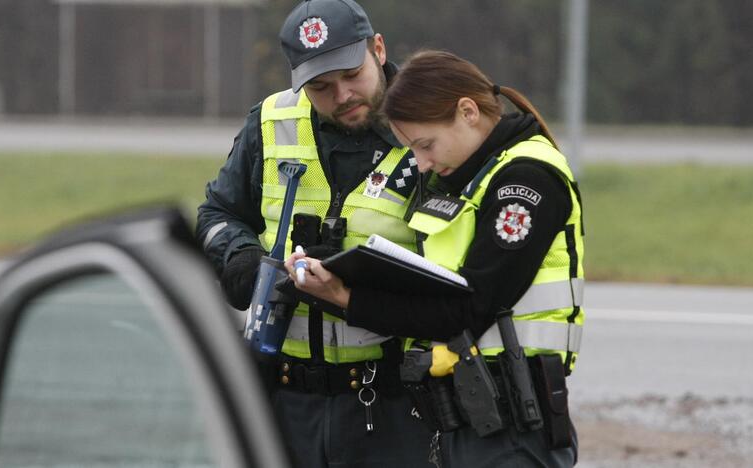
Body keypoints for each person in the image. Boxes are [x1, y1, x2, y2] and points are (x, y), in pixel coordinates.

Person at [285, 50, 585, 467]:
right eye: (412, 151)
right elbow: (431, 281)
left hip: (514, 427)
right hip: (468, 421)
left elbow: (466, 310)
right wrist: (341, 268)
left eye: (425, 146)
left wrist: (347, 298)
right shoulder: (469, 179)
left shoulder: (525, 182)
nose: (422, 163)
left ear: (468, 112)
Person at [195, 1, 433, 467]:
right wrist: (239, 258)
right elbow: (217, 213)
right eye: (321, 86)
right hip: (284, 400)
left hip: (393, 401)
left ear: (378, 49)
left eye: (351, 74)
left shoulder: (430, 125)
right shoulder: (271, 122)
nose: (342, 95)